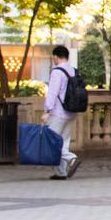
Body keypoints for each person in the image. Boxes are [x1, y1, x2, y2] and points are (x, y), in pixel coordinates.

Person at [44, 45, 81, 180]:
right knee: (64, 141)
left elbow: (52, 93)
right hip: (71, 111)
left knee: (52, 141)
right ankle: (61, 172)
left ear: (55, 57)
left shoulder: (57, 72)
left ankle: (72, 158)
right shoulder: (73, 71)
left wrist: (47, 110)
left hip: (58, 112)